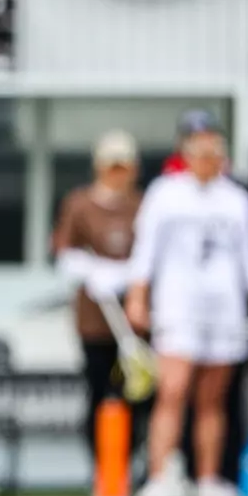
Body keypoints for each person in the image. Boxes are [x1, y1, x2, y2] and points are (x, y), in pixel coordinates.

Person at [125, 112, 248, 496]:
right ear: (186, 150)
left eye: (213, 145)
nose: (208, 153)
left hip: (224, 309)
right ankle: (162, 477)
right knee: (173, 390)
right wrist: (138, 297)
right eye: (199, 146)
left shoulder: (235, 199)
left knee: (213, 398)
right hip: (179, 306)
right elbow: (145, 253)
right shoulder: (165, 192)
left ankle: (209, 478)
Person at [51, 131, 144, 464]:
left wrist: (129, 274)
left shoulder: (142, 204)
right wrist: (90, 270)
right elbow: (64, 251)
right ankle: (101, 466)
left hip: (133, 323)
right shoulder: (80, 204)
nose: (117, 174)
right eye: (111, 167)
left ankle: (129, 461)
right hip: (94, 321)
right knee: (98, 392)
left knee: (134, 393)